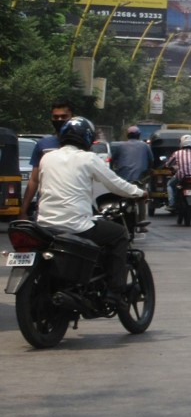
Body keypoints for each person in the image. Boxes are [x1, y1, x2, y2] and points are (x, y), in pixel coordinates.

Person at [33, 117, 146, 304]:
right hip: (77, 226)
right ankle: (114, 292)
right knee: (119, 234)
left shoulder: (47, 158)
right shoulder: (88, 158)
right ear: (86, 138)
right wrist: (139, 192)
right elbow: (115, 183)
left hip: (45, 225)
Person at [19, 98, 75, 214]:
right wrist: (23, 211)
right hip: (45, 208)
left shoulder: (81, 145)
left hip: (72, 209)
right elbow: (34, 180)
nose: (59, 120)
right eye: (56, 117)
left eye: (64, 117)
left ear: (72, 118)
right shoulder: (43, 145)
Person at [166, 133, 191, 210]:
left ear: (182, 143)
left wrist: (168, 165)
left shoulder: (177, 153)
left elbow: (169, 164)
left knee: (170, 185)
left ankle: (172, 203)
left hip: (180, 176)